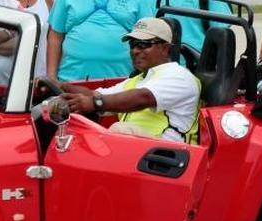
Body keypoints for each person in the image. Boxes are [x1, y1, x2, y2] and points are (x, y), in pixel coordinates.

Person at [59, 18, 200, 143]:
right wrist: (60, 86)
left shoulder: (179, 76)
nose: (135, 51)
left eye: (144, 44)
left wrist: (96, 103)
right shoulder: (139, 79)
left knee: (119, 131)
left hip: (168, 157)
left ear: (165, 48)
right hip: (140, 153)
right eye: (133, 44)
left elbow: (142, 98)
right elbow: (94, 95)